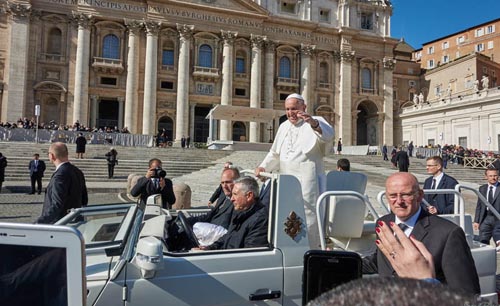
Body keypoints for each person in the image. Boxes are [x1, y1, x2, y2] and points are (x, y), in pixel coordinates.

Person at [362, 172, 480, 295]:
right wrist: (346, 263)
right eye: (392, 196)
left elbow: (467, 293)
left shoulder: (448, 234)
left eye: (406, 195)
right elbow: (381, 260)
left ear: (419, 196)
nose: (398, 201)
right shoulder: (383, 223)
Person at [255, 93, 334, 248]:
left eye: (294, 109)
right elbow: (275, 153)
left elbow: (329, 135)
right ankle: (289, 247)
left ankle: (311, 247)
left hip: (309, 180)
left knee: (309, 215)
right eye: (287, 109)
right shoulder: (283, 126)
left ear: (303, 107)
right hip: (287, 179)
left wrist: (314, 124)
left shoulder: (316, 122)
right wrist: (264, 167)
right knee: (287, 213)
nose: (290, 112)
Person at [202, 177, 268, 250]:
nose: (231, 199)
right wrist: (209, 248)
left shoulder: (260, 220)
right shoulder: (240, 212)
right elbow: (228, 237)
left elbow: (250, 255)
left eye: (235, 194)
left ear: (249, 196)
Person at [36, 142, 88, 224]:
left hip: (59, 224)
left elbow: (56, 205)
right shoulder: (77, 171)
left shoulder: (60, 175)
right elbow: (84, 200)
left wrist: (39, 223)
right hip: (75, 222)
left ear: (52, 155)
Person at [473, 167, 500, 244]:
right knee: (483, 241)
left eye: (495, 175)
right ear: (486, 177)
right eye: (490, 176)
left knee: (498, 241)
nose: (493, 178)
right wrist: (476, 221)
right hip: (486, 218)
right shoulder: (482, 188)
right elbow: (479, 205)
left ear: (498, 176)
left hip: (498, 218)